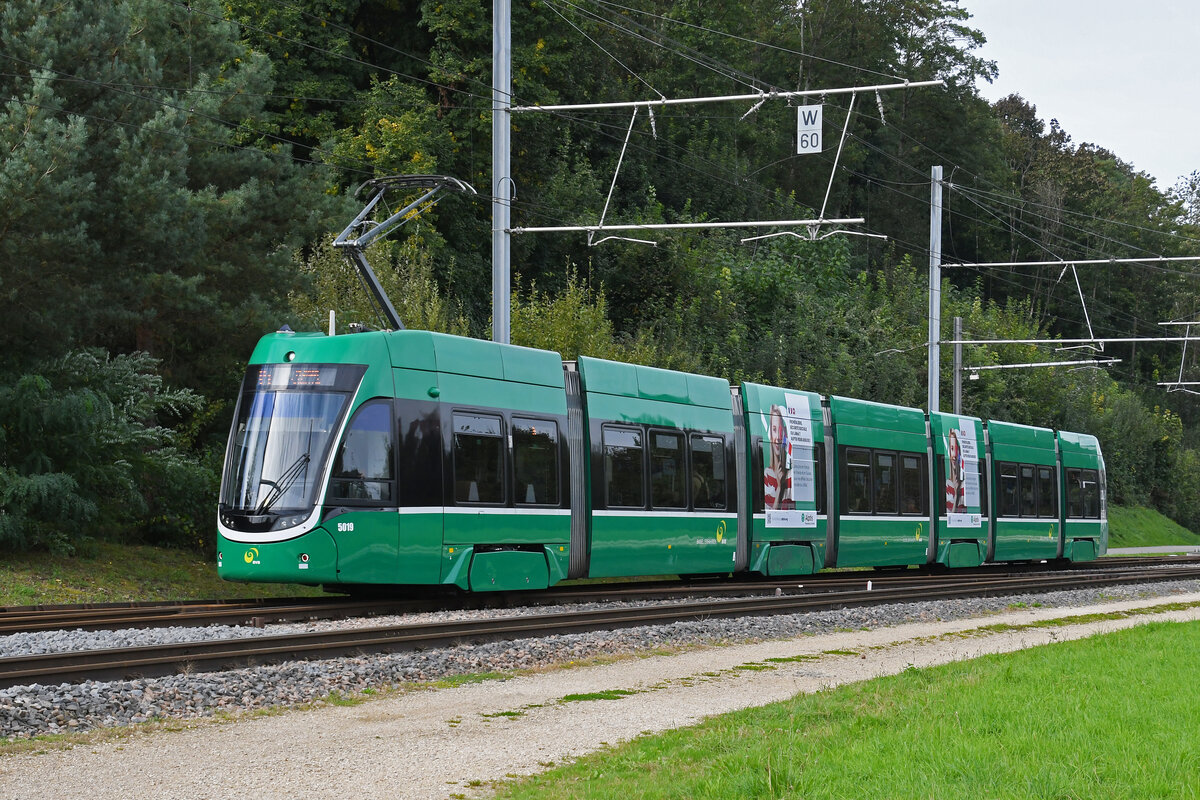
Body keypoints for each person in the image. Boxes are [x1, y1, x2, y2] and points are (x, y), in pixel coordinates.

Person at [764, 405, 793, 510]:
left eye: (780, 430)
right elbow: (768, 519)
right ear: (770, 433)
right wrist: (780, 488)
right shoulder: (767, 475)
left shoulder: (791, 476)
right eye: (774, 430)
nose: (777, 438)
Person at [945, 428, 966, 512]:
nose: (954, 455)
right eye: (952, 449)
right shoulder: (947, 485)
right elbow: (949, 516)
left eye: (957, 450)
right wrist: (956, 494)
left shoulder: (964, 486)